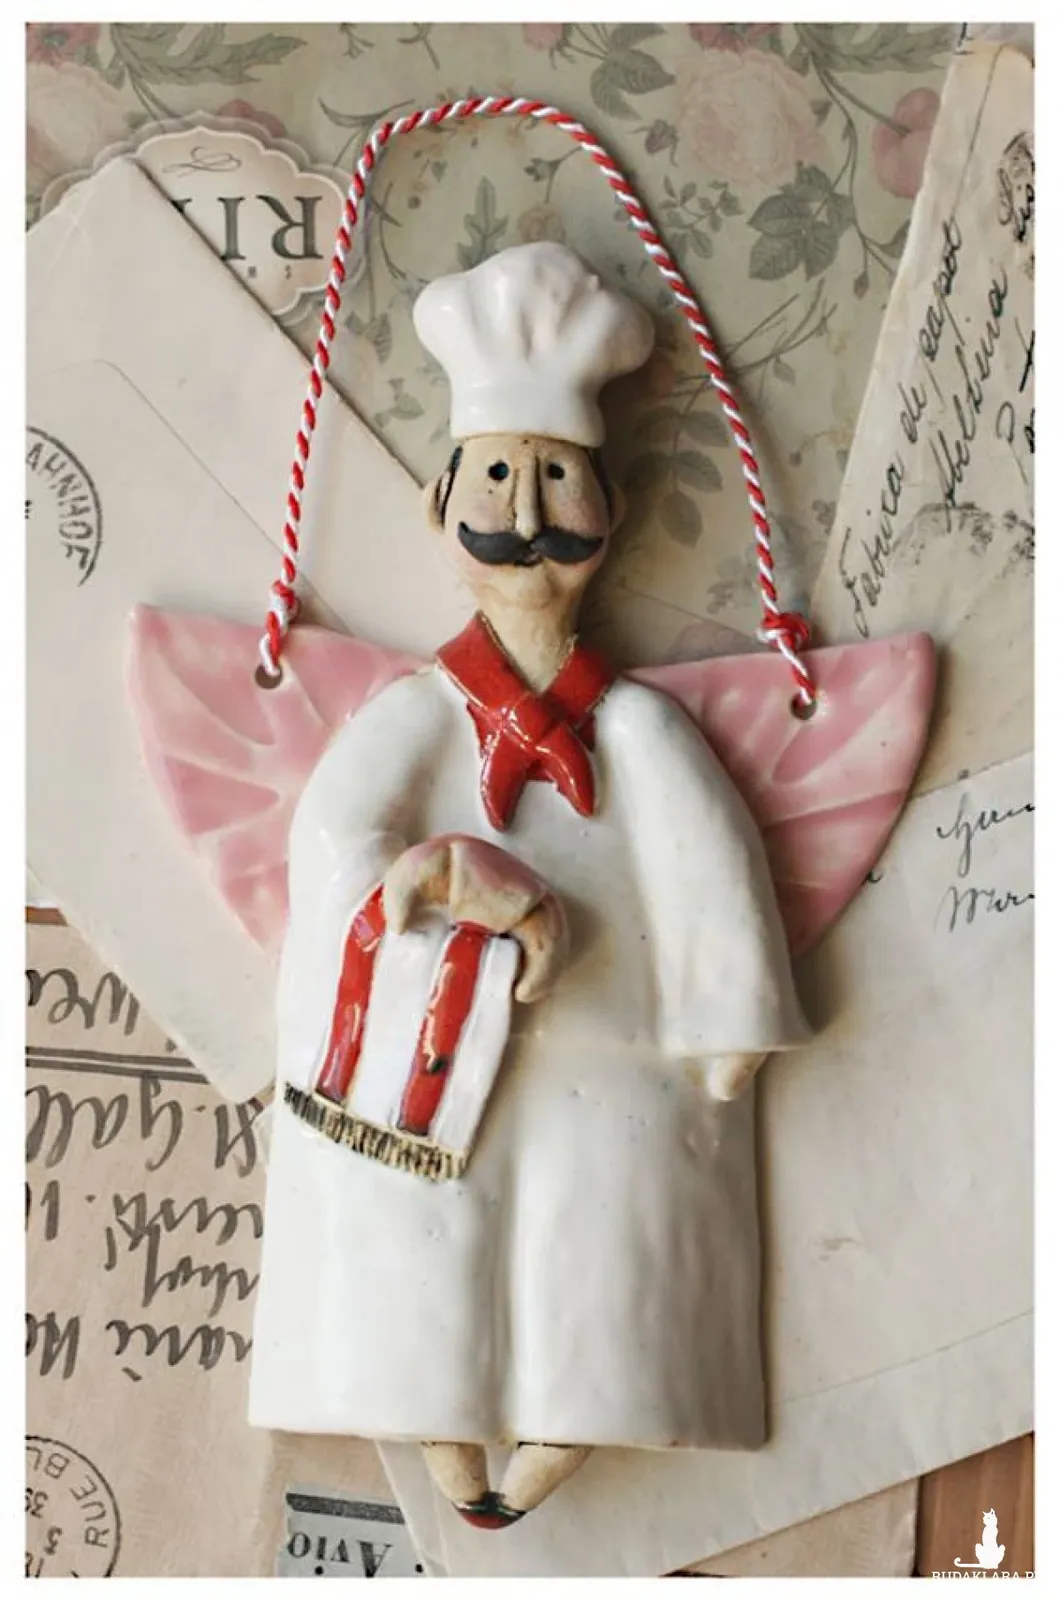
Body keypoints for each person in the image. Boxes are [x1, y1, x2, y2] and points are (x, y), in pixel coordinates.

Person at [249, 242, 809, 1528]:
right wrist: (416, 885)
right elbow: (331, 845)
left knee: (602, 1247)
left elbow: (711, 867)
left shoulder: (642, 733)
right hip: (431, 1055)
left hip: (615, 1066)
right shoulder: (412, 719)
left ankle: (581, 1411)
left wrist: (725, 1019)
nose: (526, 508)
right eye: (498, 475)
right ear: (440, 504)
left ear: (611, 506)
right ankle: (428, 1407)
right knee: (417, 1245)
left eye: (555, 475)